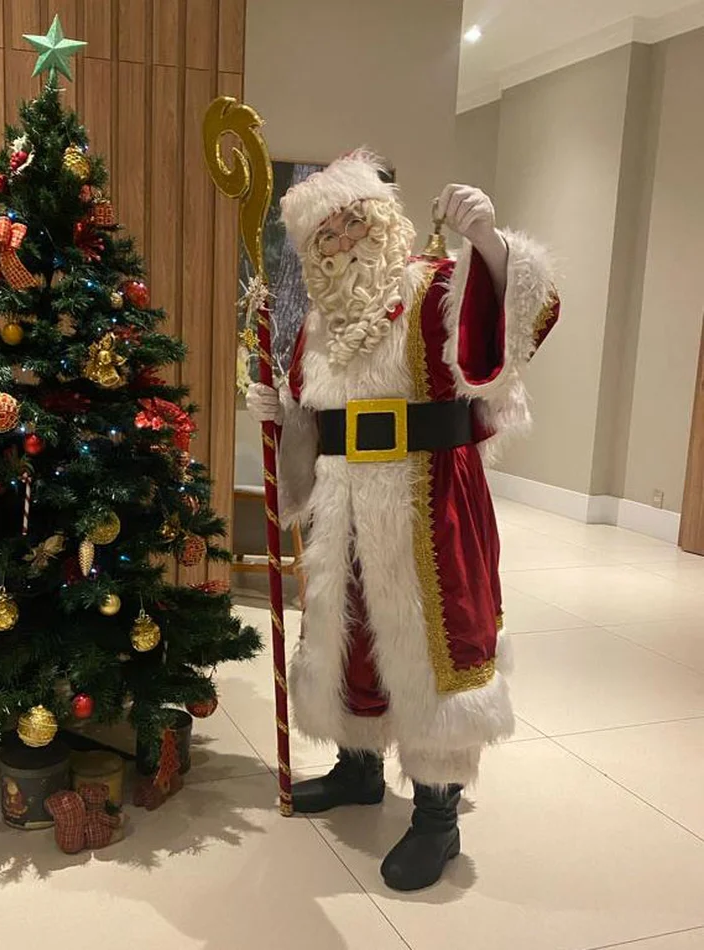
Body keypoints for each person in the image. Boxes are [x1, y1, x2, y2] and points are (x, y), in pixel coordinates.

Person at [246, 150, 559, 891]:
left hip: (429, 498)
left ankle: (437, 815)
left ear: (383, 218)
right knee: (348, 633)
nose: (343, 241)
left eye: (353, 221)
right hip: (342, 503)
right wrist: (280, 410)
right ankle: (357, 768)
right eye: (325, 235)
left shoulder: (434, 287)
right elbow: (314, 415)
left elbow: (512, 327)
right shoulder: (317, 324)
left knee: (431, 645)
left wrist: (490, 244)